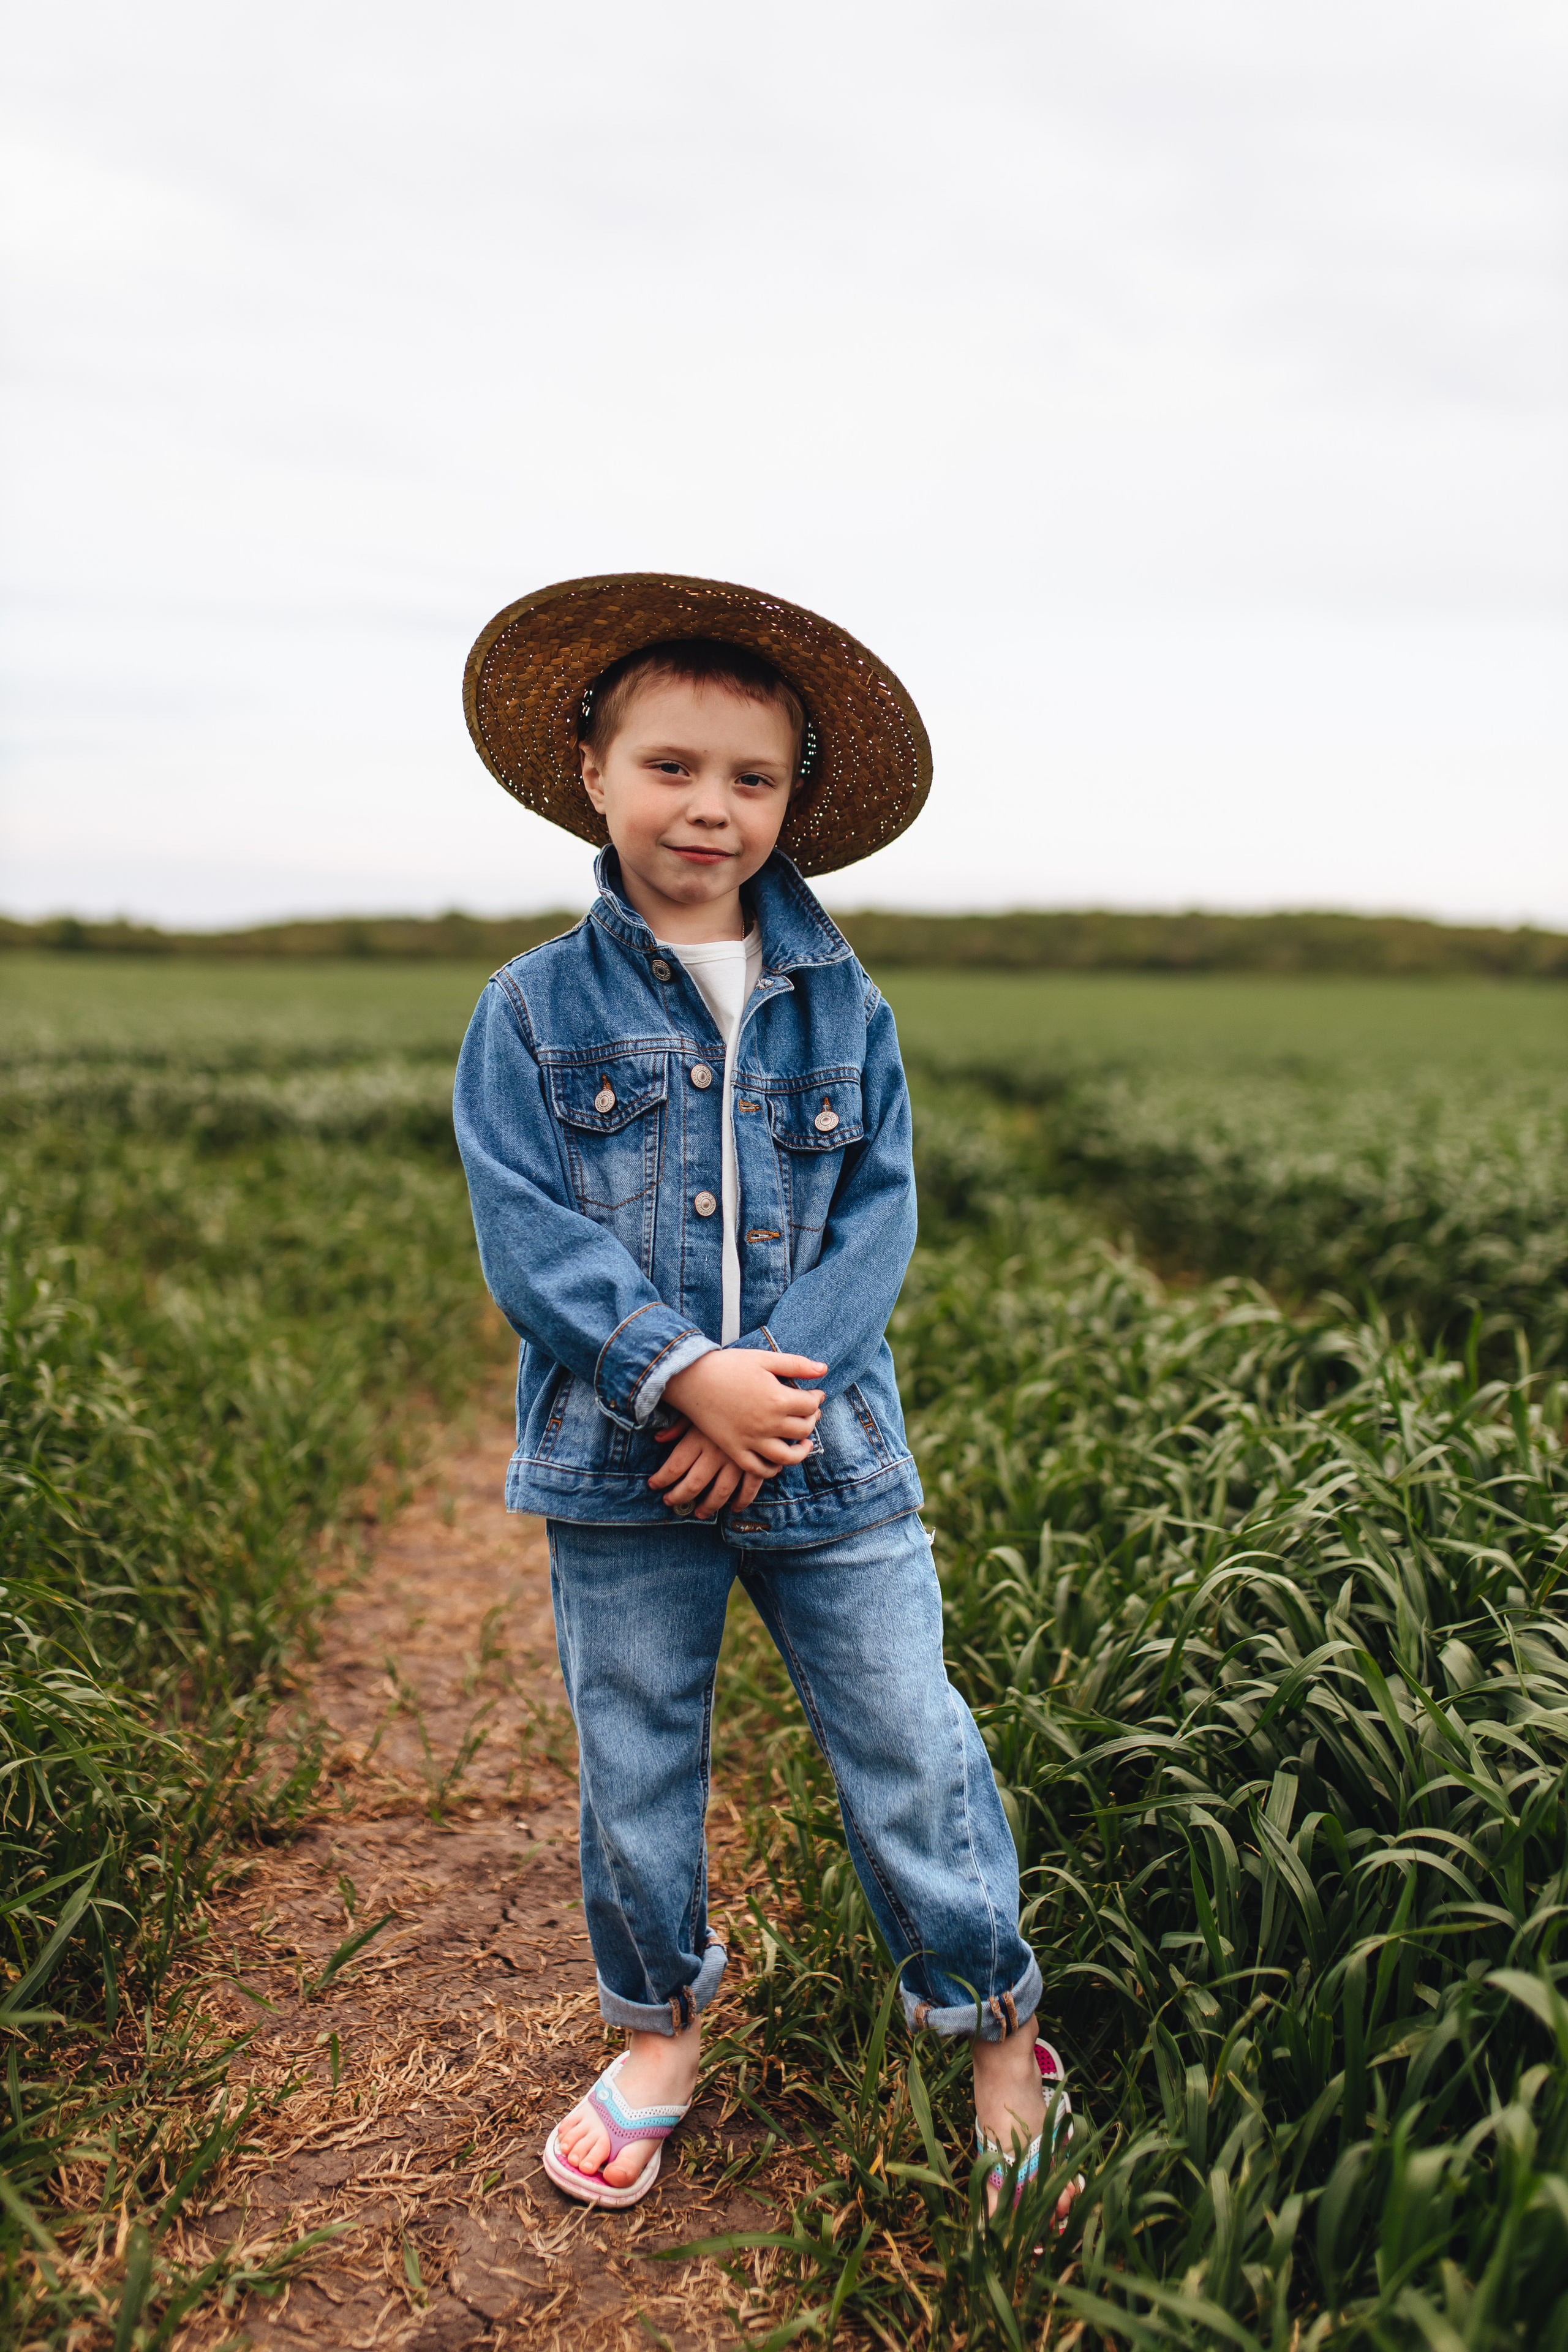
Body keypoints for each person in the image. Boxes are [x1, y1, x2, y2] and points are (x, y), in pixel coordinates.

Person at [453, 573, 1079, 2225]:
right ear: (590, 768)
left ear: (794, 798)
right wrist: (682, 1377)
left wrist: (772, 1397)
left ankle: (998, 2026)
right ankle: (657, 2034)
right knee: (637, 1756)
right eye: (671, 767)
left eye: (751, 779)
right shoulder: (529, 1010)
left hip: (829, 1461)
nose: (710, 810)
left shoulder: (846, 1005)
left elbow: (878, 1220)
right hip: (624, 1468)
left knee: (906, 1742)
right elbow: (529, 1234)